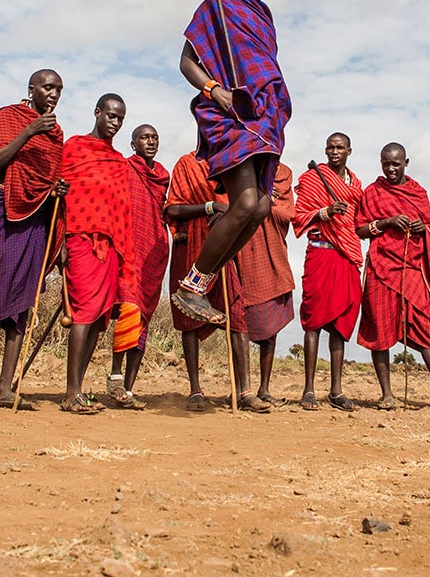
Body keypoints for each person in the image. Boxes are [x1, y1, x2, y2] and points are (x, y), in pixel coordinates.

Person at [173, 0, 292, 325]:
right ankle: (191, 286)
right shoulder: (217, 9)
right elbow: (186, 62)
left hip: (265, 114)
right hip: (232, 112)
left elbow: (262, 62)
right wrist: (214, 90)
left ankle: (202, 283)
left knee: (260, 207)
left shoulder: (265, 18)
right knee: (243, 202)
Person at [0, 69, 66, 410]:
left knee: (21, 304)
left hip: (37, 219)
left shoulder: (57, 133)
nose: (54, 94)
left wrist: (57, 191)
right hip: (3, 210)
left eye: (59, 89)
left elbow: (49, 178)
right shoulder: (8, 117)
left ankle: (5, 388)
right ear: (32, 89)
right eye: (48, 87)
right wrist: (28, 132)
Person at [356, 143, 430, 413]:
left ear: (406, 162)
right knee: (379, 327)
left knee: (425, 326)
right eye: (386, 164)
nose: (391, 169)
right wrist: (386, 223)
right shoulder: (372, 192)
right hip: (381, 267)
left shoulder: (418, 192)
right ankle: (387, 395)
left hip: (411, 267)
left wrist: (421, 227)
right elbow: (360, 229)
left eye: (396, 164)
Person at [166, 149, 268, 413]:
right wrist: (209, 207)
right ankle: (195, 389)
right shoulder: (186, 163)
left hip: (223, 248)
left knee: (236, 314)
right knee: (188, 320)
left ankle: (244, 390)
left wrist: (227, 217)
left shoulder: (231, 163)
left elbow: (243, 209)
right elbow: (174, 208)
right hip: (191, 244)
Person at [57, 94, 131, 414]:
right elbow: (60, 196)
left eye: (120, 119)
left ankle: (78, 388)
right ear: (97, 112)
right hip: (80, 240)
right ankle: (70, 393)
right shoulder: (74, 147)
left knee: (98, 319)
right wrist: (59, 241)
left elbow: (123, 210)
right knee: (83, 314)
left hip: (109, 247)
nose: (114, 122)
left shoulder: (119, 163)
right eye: (111, 115)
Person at [294, 133, 364, 412]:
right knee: (313, 321)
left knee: (341, 322)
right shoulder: (312, 178)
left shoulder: (356, 186)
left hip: (347, 255)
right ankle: (309, 389)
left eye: (340, 148)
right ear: (325, 150)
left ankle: (336, 390)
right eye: (330, 148)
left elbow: (358, 222)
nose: (335, 152)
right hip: (320, 252)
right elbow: (298, 215)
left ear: (349, 151)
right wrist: (324, 212)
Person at [108, 124, 170, 409]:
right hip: (130, 248)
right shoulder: (124, 168)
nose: (151, 141)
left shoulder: (162, 177)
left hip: (154, 253)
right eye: (144, 137)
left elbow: (166, 209)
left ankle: (129, 389)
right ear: (133, 145)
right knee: (129, 308)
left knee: (144, 316)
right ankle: (115, 376)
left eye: (155, 137)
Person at [232, 160, 295, 406]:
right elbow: (231, 205)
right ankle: (241, 388)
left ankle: (264, 388)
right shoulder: (241, 169)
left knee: (271, 328)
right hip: (242, 251)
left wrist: (264, 197)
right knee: (239, 323)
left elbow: (286, 213)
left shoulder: (283, 174)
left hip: (273, 254)